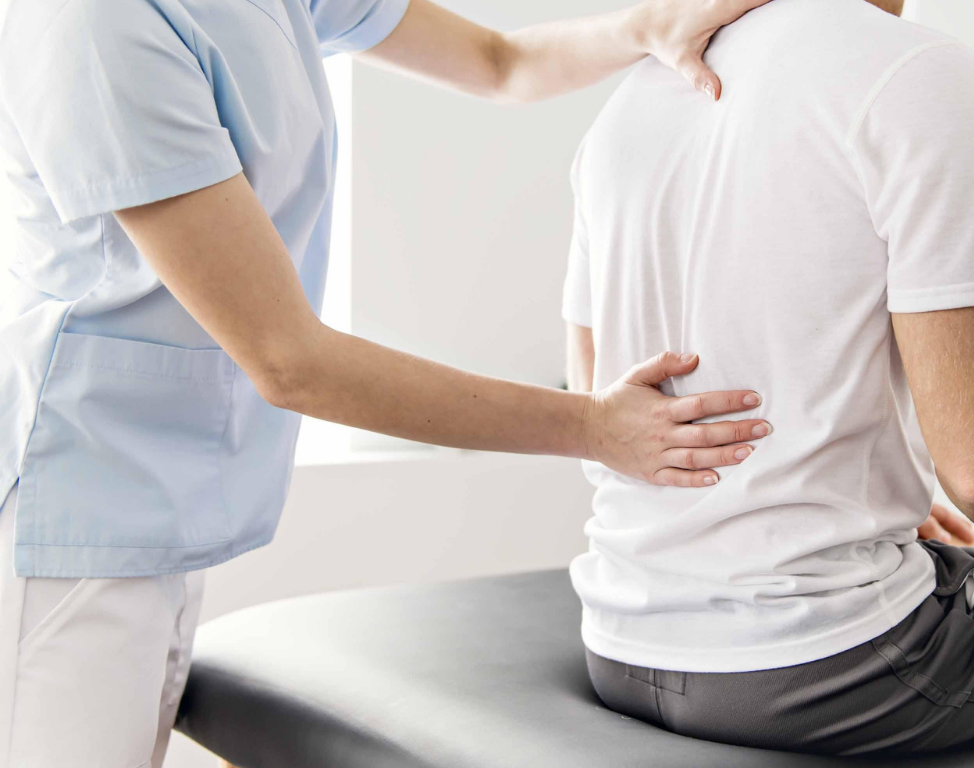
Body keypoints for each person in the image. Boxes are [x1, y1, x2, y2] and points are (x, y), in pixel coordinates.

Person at [0, 0, 780, 765]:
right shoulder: (95, 22)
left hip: (166, 506)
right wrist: (592, 427)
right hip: (74, 511)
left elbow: (496, 63)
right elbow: (289, 360)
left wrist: (642, 27)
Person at [562, 0, 974, 755]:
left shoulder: (624, 110)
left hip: (620, 638)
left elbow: (599, 410)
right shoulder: (919, 75)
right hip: (827, 657)